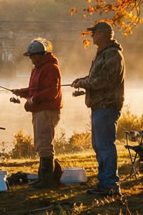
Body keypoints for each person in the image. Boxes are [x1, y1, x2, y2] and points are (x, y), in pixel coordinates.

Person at [71, 21, 126, 196]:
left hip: (107, 106)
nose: (92, 36)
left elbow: (103, 81)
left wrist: (83, 83)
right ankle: (104, 182)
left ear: (101, 34)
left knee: (105, 146)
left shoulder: (112, 55)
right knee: (99, 145)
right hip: (99, 106)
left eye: (94, 33)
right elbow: (96, 76)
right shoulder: (103, 54)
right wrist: (82, 80)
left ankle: (110, 185)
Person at [12, 38, 63, 189]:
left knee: (44, 143)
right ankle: (47, 176)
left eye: (32, 56)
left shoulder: (51, 68)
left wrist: (33, 99)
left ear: (41, 54)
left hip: (47, 110)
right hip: (39, 110)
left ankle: (47, 181)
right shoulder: (37, 68)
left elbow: (52, 92)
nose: (30, 59)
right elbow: (37, 89)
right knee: (41, 143)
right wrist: (23, 92)